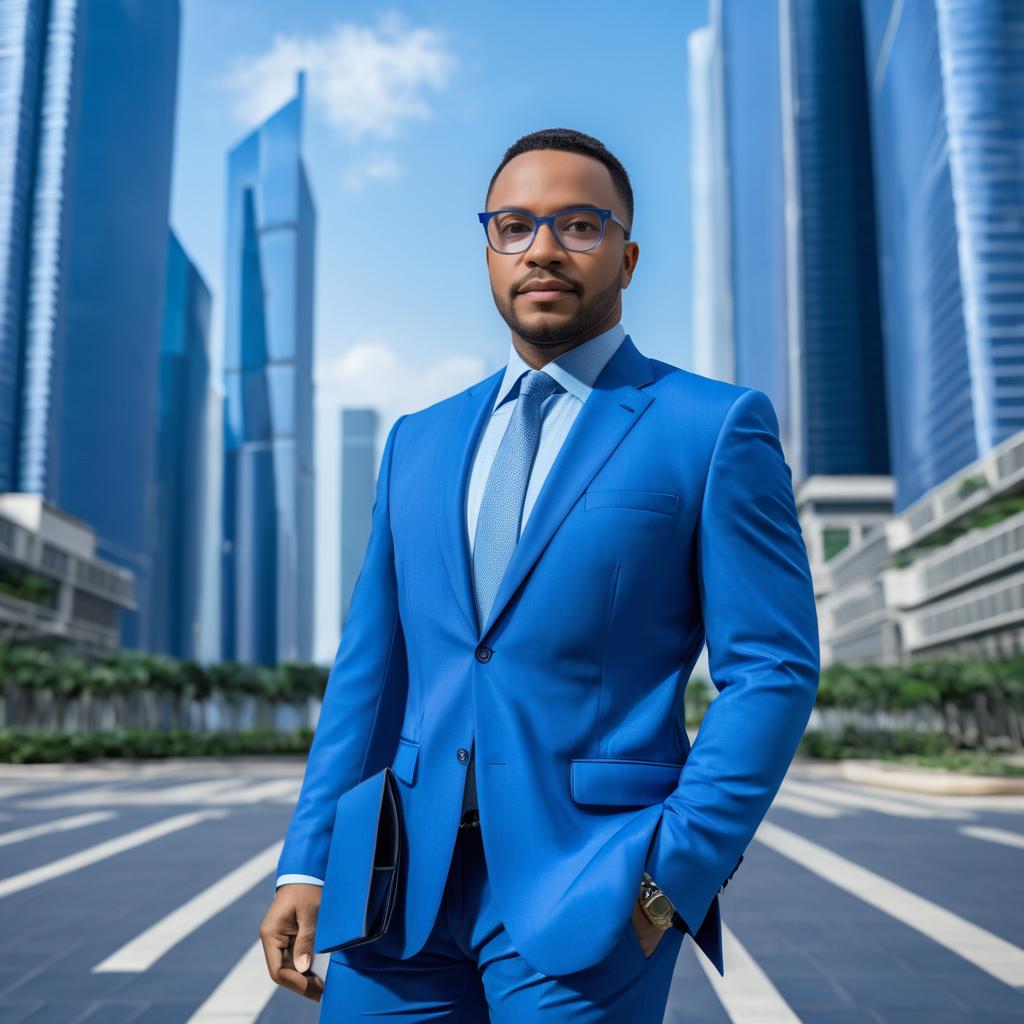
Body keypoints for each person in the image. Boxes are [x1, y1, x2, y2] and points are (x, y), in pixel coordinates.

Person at [259, 127, 820, 1022]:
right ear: (489, 251)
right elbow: (372, 671)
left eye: (580, 225)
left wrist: (669, 880)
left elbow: (772, 668)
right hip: (396, 889)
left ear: (627, 257)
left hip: (592, 887)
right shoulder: (418, 441)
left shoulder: (711, 427)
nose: (544, 249)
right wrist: (308, 856)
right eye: (515, 226)